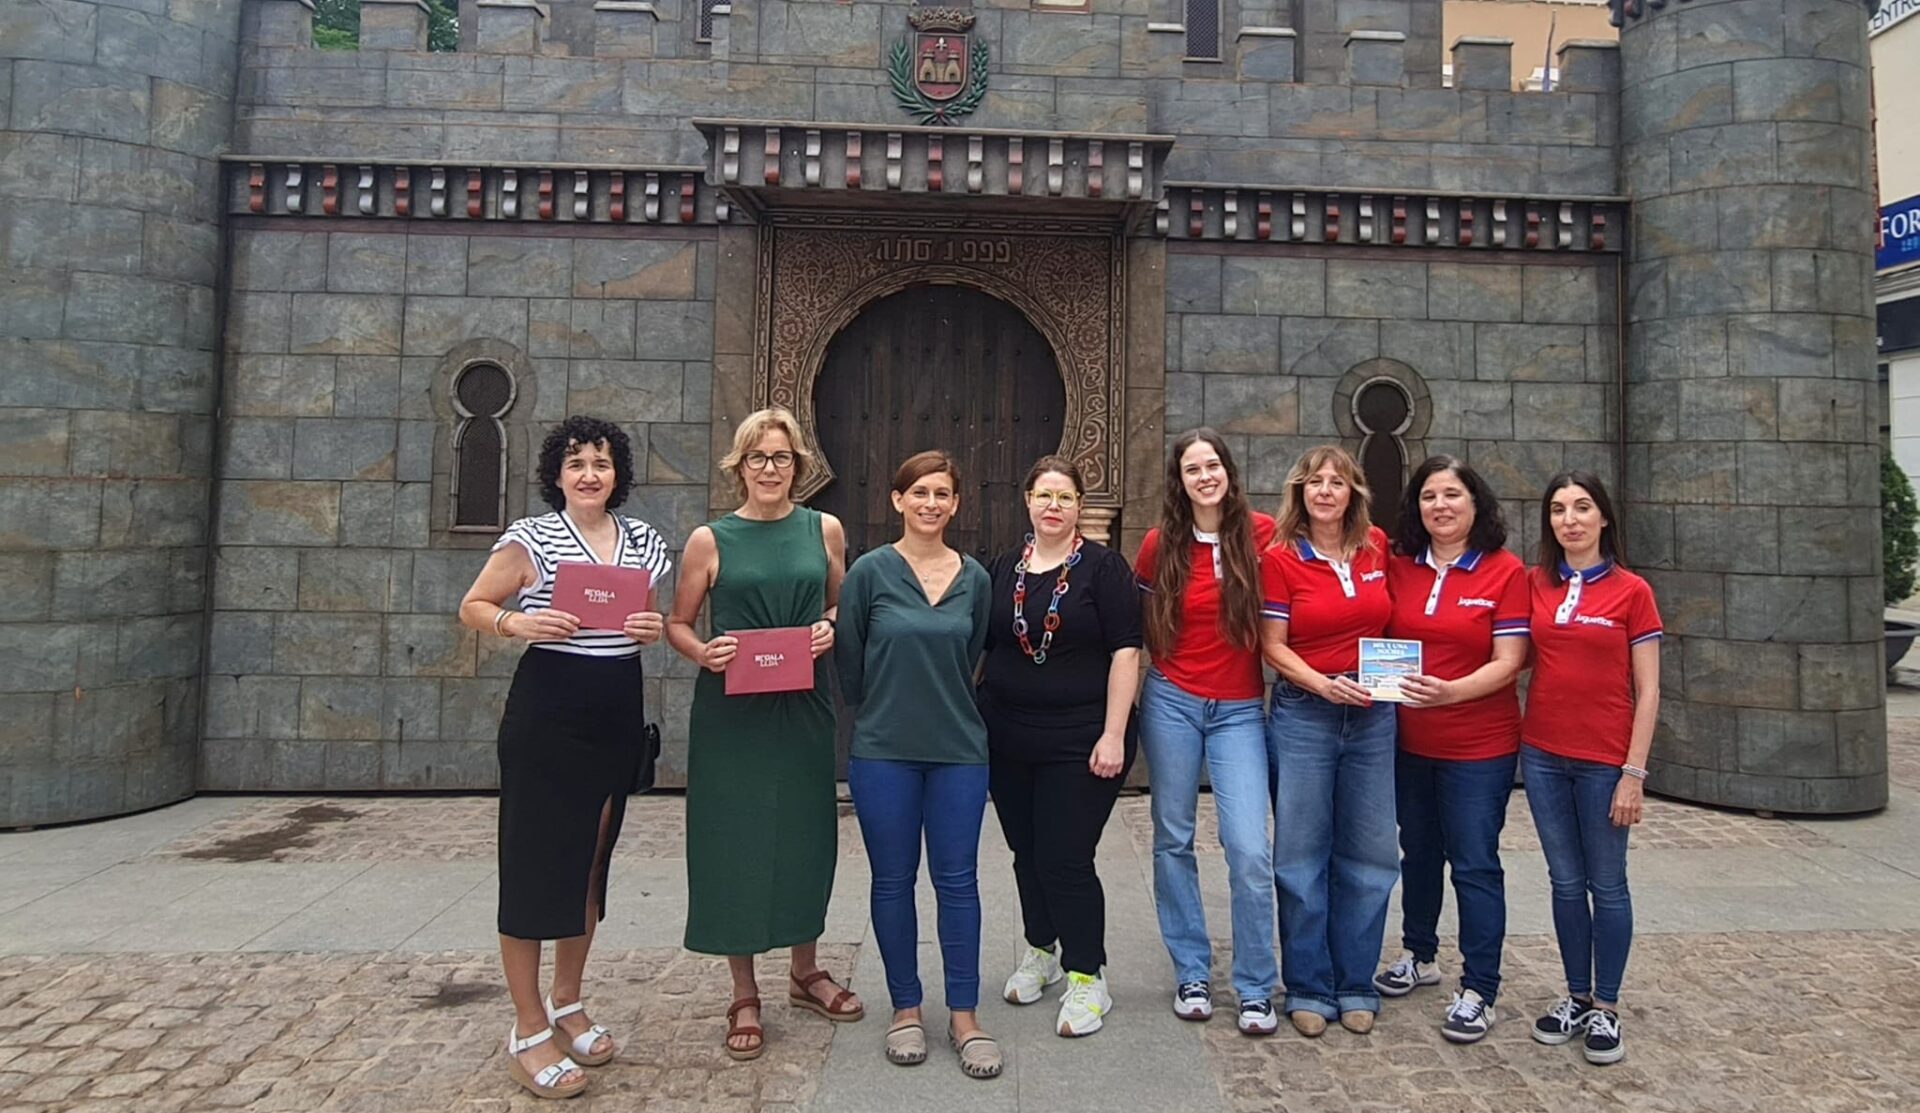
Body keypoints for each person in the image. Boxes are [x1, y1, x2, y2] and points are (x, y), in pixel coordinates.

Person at [457, 415, 673, 1100]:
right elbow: (474, 604)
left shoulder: (644, 541)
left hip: (615, 706)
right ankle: (527, 1027)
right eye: (576, 462)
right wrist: (517, 621)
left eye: (601, 463)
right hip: (549, 709)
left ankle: (567, 1000)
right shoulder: (531, 537)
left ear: (618, 473)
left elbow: (648, 620)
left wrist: (652, 626)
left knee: (590, 865)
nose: (589, 474)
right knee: (534, 865)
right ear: (557, 473)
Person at [665, 407, 863, 1062]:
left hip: (802, 703)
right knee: (737, 840)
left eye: (781, 457)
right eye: (758, 458)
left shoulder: (824, 529)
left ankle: (806, 971)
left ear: (799, 465)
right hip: (734, 712)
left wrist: (829, 625)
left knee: (806, 832)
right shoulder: (709, 539)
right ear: (740, 466)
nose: (770, 469)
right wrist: (703, 652)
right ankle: (744, 991)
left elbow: (841, 601)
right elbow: (677, 623)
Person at [836, 450, 999, 1078]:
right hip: (884, 751)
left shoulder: (974, 578)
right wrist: (887, 707)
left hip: (959, 751)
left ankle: (964, 1014)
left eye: (942, 494)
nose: (931, 503)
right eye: (920, 493)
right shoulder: (869, 573)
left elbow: (975, 652)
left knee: (958, 882)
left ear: (956, 505)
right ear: (897, 500)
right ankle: (906, 1007)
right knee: (892, 880)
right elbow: (850, 660)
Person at [980, 455, 1143, 1039]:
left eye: (1065, 497)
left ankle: (1086, 973)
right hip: (1009, 736)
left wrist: (1114, 734)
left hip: (1081, 738)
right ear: (1027, 500)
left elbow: (1127, 650)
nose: (1054, 506)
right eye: (1044, 495)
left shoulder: (1105, 569)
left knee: (1065, 856)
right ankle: (1040, 948)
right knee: (1026, 851)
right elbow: (983, 644)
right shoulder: (1005, 568)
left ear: (1079, 506)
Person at [1374, 456, 1530, 1044]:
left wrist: (1450, 693)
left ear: (1476, 503)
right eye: (1429, 496)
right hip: (1409, 743)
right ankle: (1419, 954)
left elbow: (1509, 662)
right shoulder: (1399, 567)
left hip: (1479, 747)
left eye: (1452, 495)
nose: (1440, 506)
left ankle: (1480, 988)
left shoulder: (1505, 572)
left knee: (1473, 862)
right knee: (1417, 852)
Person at [1135, 429, 1281, 1036]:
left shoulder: (1263, 534)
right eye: (1192, 468)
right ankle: (1192, 970)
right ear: (1180, 480)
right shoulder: (1158, 544)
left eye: (1212, 465)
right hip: (1172, 699)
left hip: (1240, 707)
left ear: (1229, 471)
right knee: (1173, 837)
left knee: (1249, 847)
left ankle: (1255, 984)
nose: (1204, 476)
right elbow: (1141, 620)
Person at [1521, 471, 1661, 1066]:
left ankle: (1607, 1004)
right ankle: (1576, 995)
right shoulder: (1536, 583)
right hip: (1543, 754)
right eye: (1558, 509)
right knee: (1563, 882)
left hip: (1605, 761)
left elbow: (1648, 690)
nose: (1570, 519)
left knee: (1607, 884)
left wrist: (1634, 773)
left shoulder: (1632, 591)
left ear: (1603, 516)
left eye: (1581, 507)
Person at [1258, 444, 1396, 1038]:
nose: (1325, 491)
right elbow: (1272, 644)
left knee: (1370, 852)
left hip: (1373, 716)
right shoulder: (1280, 558)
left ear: (1354, 492)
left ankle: (1356, 980)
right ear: (1299, 491)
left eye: (1337, 482)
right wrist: (1322, 684)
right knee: (1301, 854)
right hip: (1306, 715)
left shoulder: (1377, 547)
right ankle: (1310, 984)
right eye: (1314, 482)